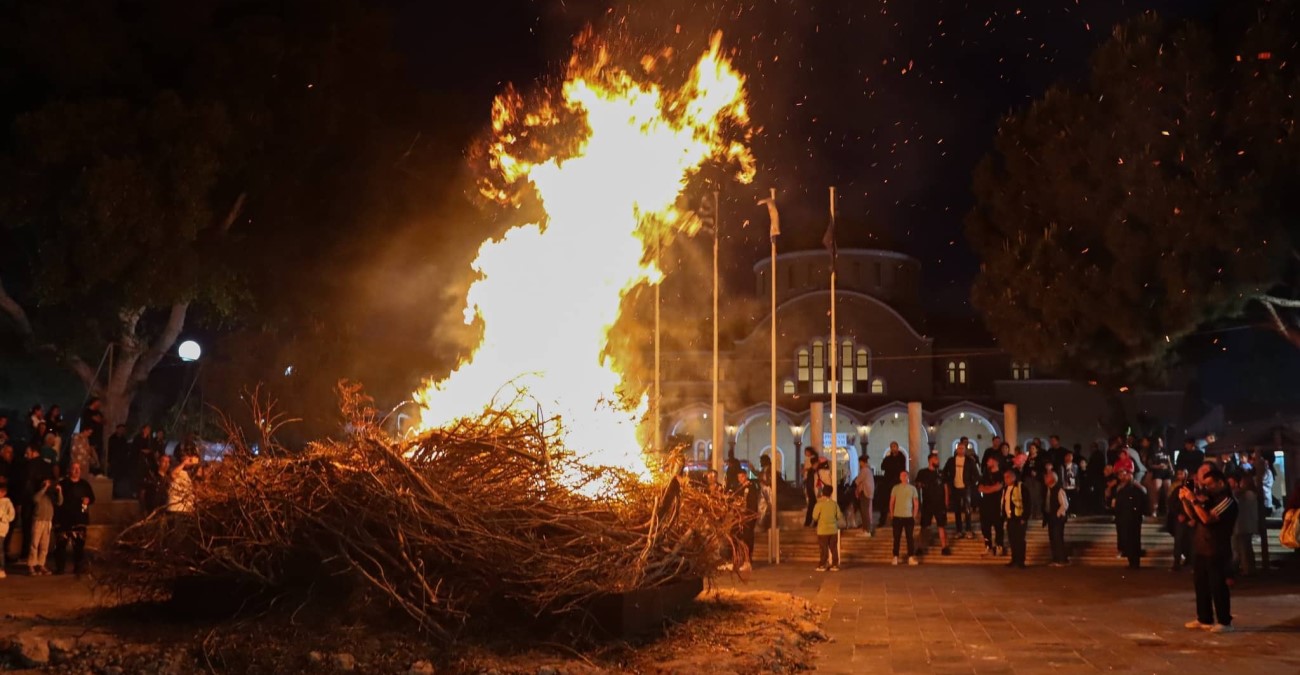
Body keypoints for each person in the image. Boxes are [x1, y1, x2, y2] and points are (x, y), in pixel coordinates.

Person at [1179, 467, 1238, 632]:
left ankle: (1225, 621)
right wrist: (1186, 500)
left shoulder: (1227, 500)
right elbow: (1194, 516)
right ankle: (1204, 618)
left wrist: (1195, 501)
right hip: (1201, 547)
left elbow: (1207, 519)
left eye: (1210, 484)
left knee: (1217, 585)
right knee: (1201, 585)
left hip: (1216, 549)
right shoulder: (1209, 499)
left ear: (1221, 482)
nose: (1207, 488)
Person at [52, 462, 95, 575]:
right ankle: (60, 568)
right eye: (74, 468)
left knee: (79, 546)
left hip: (79, 519)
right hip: (64, 519)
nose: (76, 471)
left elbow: (92, 498)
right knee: (61, 545)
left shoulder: (84, 484)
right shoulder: (63, 483)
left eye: (78, 468)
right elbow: (57, 500)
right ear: (69, 470)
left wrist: (88, 500)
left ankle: (78, 567)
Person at [915, 452, 951, 556]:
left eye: (938, 459)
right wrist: (920, 484)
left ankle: (944, 547)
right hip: (927, 503)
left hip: (939, 503)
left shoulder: (941, 473)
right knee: (924, 526)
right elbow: (917, 484)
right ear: (930, 460)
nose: (938, 461)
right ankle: (920, 547)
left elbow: (945, 487)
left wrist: (946, 501)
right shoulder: (922, 472)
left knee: (941, 525)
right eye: (936, 459)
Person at [943, 438, 979, 539]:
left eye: (963, 448)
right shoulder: (951, 461)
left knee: (967, 509)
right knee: (957, 510)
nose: (961, 450)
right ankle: (959, 530)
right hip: (955, 487)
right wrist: (949, 482)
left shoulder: (969, 461)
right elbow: (945, 472)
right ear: (956, 449)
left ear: (965, 450)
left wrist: (970, 484)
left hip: (966, 487)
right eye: (959, 448)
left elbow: (976, 475)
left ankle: (968, 529)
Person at [1112, 468, 1146, 569]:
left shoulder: (1137, 489)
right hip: (1124, 517)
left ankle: (1135, 562)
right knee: (1127, 539)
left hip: (1134, 518)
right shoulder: (1121, 489)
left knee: (1135, 540)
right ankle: (1131, 561)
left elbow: (1142, 499)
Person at [27, 474, 60, 575]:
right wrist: (44, 487)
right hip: (38, 521)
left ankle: (41, 564)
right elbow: (35, 499)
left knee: (44, 545)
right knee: (34, 544)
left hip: (48, 522)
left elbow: (60, 502)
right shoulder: (39, 494)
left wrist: (59, 491)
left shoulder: (51, 496)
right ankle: (31, 565)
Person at [889, 470, 920, 565]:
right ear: (899, 477)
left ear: (908, 477)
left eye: (905, 475)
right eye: (902, 475)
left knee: (909, 537)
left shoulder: (912, 489)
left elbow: (915, 502)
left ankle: (910, 556)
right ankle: (895, 557)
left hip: (908, 516)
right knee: (896, 537)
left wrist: (914, 514)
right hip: (897, 516)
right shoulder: (895, 488)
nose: (904, 477)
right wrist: (891, 513)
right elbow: (892, 501)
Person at [1230, 474, 1259, 577]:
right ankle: (1249, 568)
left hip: (1242, 525)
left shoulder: (1244, 494)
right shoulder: (1253, 494)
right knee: (1246, 548)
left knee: (1242, 548)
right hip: (1248, 524)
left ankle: (1247, 569)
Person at [978, 456, 1006, 556]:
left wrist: (988, 489)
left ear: (995, 462)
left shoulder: (1001, 475)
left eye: (989, 461)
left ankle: (999, 546)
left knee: (998, 527)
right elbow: (980, 488)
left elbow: (998, 487)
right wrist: (990, 488)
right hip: (985, 505)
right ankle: (988, 546)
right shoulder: (985, 475)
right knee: (985, 527)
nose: (987, 463)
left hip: (997, 505)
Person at [811, 485, 843, 572]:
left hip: (822, 531)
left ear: (822, 492)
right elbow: (839, 516)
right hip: (833, 530)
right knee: (833, 548)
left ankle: (823, 564)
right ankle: (835, 564)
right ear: (831, 493)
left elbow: (814, 517)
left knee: (823, 548)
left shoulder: (819, 504)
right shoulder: (834, 504)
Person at [1166, 469, 1193, 571]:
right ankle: (1176, 563)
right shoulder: (1178, 489)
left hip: (1192, 520)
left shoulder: (1196, 490)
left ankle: (1191, 562)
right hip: (1180, 519)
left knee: (1191, 542)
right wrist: (1178, 514)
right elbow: (1172, 503)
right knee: (1179, 541)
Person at [734, 471, 760, 572]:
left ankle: (748, 559)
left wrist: (751, 515)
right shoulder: (739, 487)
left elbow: (753, 503)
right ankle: (743, 558)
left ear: (744, 476)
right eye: (738, 478)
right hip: (740, 517)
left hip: (748, 517)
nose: (739, 479)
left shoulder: (751, 487)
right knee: (742, 537)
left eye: (741, 477)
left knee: (747, 537)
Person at [1002, 469, 1028, 568]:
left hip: (1019, 518)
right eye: (1005, 477)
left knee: (1020, 540)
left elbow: (1027, 503)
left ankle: (1021, 561)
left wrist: (1024, 517)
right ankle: (1014, 559)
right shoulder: (1006, 488)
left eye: (1007, 477)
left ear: (1013, 477)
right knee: (1012, 540)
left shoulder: (1021, 487)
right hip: (1010, 518)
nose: (1005, 479)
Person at [1043, 469, 1069, 566]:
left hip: (1057, 518)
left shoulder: (1059, 490)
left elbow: (1064, 504)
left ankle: (1061, 559)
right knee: (1053, 538)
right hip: (1051, 518)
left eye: (1047, 477)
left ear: (1053, 479)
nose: (1045, 478)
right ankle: (1056, 558)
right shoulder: (1048, 490)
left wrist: (1058, 514)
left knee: (1057, 538)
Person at [879, 441, 908, 526]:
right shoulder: (888, 458)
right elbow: (883, 467)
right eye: (892, 447)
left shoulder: (901, 458)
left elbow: (901, 468)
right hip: (888, 482)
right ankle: (882, 521)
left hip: (897, 481)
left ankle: (898, 520)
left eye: (894, 446)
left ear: (897, 448)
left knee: (898, 501)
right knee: (885, 502)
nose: (893, 448)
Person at [1147, 438, 1173, 516]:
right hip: (1157, 472)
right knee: (1156, 490)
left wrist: (1171, 468)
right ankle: (1154, 510)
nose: (1160, 443)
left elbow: (1169, 461)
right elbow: (1150, 464)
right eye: (1158, 441)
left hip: (1166, 472)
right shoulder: (1152, 452)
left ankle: (1168, 509)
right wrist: (1158, 466)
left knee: (1168, 490)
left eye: (1161, 441)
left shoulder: (1165, 450)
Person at [853, 456, 875, 537]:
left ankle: (867, 530)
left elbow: (858, 480)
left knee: (865, 511)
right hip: (867, 492)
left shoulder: (864, 470)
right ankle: (866, 529)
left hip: (865, 492)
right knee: (865, 511)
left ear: (862, 462)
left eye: (859, 462)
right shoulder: (868, 470)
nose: (859, 464)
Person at [1060, 450, 1081, 516]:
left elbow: (1077, 476)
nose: (1069, 458)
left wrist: (1078, 485)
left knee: (1074, 500)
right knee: (1065, 500)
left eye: (1070, 456)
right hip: (1065, 486)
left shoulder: (1075, 466)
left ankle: (1073, 512)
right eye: (1067, 456)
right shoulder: (1062, 466)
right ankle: (1066, 512)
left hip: (1073, 485)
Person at [803, 448, 819, 527]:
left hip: (812, 490)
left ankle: (810, 522)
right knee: (812, 506)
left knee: (813, 506)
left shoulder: (811, 471)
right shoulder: (812, 472)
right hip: (812, 491)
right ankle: (811, 522)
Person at [0, 479, 12, 579]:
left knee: (0, 549)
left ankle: (1, 569)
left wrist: (2, 517)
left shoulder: (7, 502)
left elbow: (11, 516)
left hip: (1, 530)